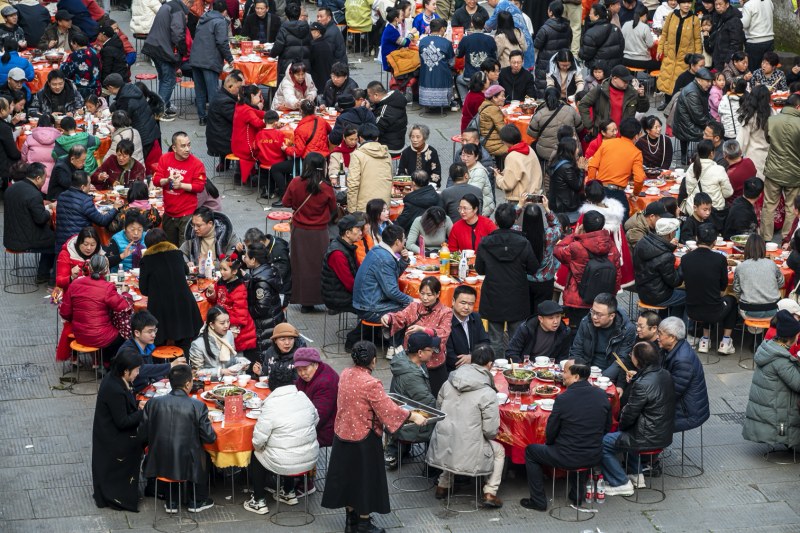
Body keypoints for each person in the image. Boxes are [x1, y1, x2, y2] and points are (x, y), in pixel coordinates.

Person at [321, 341, 426, 531]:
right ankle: (363, 524)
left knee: (347, 480)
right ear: (374, 361)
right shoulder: (371, 383)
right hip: (364, 439)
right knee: (365, 482)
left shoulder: (345, 374)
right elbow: (388, 411)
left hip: (343, 434)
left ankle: (350, 522)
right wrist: (413, 415)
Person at [520, 359, 611, 511]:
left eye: (565, 372)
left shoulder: (563, 399)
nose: (562, 375)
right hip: (594, 454)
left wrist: (550, 444)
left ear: (575, 377)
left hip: (567, 455)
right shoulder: (602, 395)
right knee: (580, 445)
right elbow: (606, 427)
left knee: (531, 451)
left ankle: (538, 500)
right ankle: (577, 494)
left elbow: (551, 431)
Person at [428, 344, 504, 508]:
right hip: (467, 448)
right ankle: (490, 492)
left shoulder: (449, 382)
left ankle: (443, 485)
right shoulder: (488, 392)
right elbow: (490, 431)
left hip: (444, 441)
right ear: (490, 364)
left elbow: (439, 408)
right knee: (499, 450)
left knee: (454, 435)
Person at [138, 364, 217, 513]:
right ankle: (196, 500)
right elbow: (210, 437)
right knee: (202, 453)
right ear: (188, 384)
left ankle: (172, 502)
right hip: (188, 462)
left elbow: (142, 434)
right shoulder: (198, 406)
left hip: (158, 459)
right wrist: (208, 423)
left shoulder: (153, 403)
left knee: (171, 451)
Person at [601, 342, 675, 496]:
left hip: (646, 437)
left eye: (632, 355)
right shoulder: (665, 374)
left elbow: (628, 415)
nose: (630, 357)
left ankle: (620, 482)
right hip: (662, 433)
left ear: (638, 360)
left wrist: (619, 426)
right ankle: (636, 473)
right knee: (630, 431)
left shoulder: (642, 384)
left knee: (602, 442)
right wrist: (636, 378)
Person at [245, 363, 319, 511]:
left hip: (286, 462)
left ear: (271, 384)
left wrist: (262, 448)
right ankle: (288, 492)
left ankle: (259, 501)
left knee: (257, 455)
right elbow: (315, 419)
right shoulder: (302, 396)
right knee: (287, 446)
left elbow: (258, 441)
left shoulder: (271, 404)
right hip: (310, 457)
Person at [475, 203, 538, 357]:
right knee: (516, 339)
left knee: (495, 340)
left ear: (496, 221)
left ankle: (496, 370)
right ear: (514, 221)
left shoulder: (486, 242)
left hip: (493, 295)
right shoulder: (523, 242)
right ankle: (514, 370)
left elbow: (479, 269)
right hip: (517, 296)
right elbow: (533, 268)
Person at [282, 152, 337, 312]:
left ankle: (306, 302)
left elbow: (286, 202)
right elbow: (333, 209)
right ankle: (324, 298)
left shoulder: (295, 182)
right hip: (320, 232)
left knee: (301, 267)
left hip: (299, 231)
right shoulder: (326, 187)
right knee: (322, 266)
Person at [91, 350, 144, 512]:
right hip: (113, 437)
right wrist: (143, 412)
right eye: (136, 370)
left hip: (109, 432)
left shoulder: (115, 379)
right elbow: (122, 422)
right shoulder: (114, 388)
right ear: (126, 371)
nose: (138, 373)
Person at [742, 310, 800, 450]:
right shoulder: (781, 361)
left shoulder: (769, 347)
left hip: (768, 413)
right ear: (792, 337)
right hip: (777, 419)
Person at [555, 209, 623, 326]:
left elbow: (557, 250)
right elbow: (617, 275)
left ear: (583, 225)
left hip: (578, 300)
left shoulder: (577, 247)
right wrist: (611, 297)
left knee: (577, 333)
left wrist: (575, 235)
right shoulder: (611, 246)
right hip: (602, 301)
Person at [139, 229, 203, 354]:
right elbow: (186, 271)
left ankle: (162, 368)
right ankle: (185, 364)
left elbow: (143, 289)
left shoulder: (147, 260)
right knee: (184, 340)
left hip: (160, 308)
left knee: (159, 343)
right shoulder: (177, 253)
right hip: (183, 303)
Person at [382, 275, 452, 388]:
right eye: (422, 293)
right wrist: (388, 317)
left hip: (434, 362)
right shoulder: (414, 307)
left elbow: (444, 332)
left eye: (429, 295)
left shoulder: (445, 312)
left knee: (436, 396)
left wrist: (423, 330)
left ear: (437, 294)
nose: (425, 298)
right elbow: (400, 317)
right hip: (412, 360)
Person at [59, 254, 131, 360]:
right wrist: (125, 294)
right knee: (125, 330)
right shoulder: (107, 287)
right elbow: (124, 307)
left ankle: (101, 360)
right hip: (102, 337)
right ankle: (108, 361)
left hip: (80, 336)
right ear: (106, 270)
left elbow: (65, 312)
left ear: (89, 267)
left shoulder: (75, 284)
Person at [681, 223, 738, 354]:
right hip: (714, 310)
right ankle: (725, 341)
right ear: (714, 241)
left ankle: (705, 339)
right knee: (732, 300)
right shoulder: (719, 259)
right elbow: (723, 286)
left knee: (708, 298)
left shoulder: (685, 258)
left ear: (696, 238)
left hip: (691, 310)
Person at [385, 332, 439, 468]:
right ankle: (434, 466)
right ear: (420, 353)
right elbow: (429, 404)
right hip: (408, 423)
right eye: (430, 349)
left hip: (401, 416)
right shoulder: (411, 376)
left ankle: (396, 449)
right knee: (448, 426)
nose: (433, 352)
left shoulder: (408, 361)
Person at [352, 223, 413, 328]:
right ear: (397, 242)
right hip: (370, 308)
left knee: (407, 303)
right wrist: (412, 300)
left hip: (364, 303)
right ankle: (396, 341)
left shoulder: (378, 250)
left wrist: (404, 261)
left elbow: (391, 276)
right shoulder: (385, 258)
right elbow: (392, 292)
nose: (404, 242)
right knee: (412, 308)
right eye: (404, 240)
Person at [3, 163, 55, 283]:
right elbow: (41, 219)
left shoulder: (12, 187)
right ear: (37, 178)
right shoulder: (34, 194)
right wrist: (50, 210)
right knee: (59, 240)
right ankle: (48, 276)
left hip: (10, 237)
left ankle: (44, 272)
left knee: (51, 235)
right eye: (44, 178)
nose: (44, 181)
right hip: (25, 239)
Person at [154, 132, 207, 247]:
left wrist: (181, 185)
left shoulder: (197, 164)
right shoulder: (165, 158)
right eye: (183, 146)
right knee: (170, 247)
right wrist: (167, 180)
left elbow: (199, 187)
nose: (187, 149)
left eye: (189, 145)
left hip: (186, 214)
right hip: (169, 213)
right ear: (174, 148)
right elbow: (156, 180)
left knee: (185, 249)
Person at [587, 117, 646, 220]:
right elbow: (639, 179)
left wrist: (593, 187)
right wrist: (635, 193)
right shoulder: (636, 153)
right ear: (636, 136)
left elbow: (592, 165)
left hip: (600, 192)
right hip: (617, 195)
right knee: (620, 231)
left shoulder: (606, 144)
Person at [322, 214, 366, 348]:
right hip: (338, 296)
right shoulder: (338, 253)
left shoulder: (347, 246)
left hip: (345, 292)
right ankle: (353, 338)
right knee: (373, 310)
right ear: (347, 233)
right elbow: (349, 284)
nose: (361, 232)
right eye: (357, 230)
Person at [570, 292, 636, 382]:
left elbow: (621, 360)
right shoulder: (586, 322)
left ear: (611, 316)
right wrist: (580, 374)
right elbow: (576, 350)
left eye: (599, 314)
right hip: (585, 371)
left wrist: (601, 379)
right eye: (593, 311)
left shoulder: (627, 329)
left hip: (609, 377)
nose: (594, 317)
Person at [141, 0, 190, 120]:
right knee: (169, 79)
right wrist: (182, 50)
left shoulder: (168, 5)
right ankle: (159, 111)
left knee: (164, 78)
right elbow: (178, 33)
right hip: (162, 49)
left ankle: (164, 105)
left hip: (154, 46)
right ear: (187, 2)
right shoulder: (177, 9)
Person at [103, 74, 161, 174]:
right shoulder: (130, 89)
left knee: (138, 162)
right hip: (150, 129)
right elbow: (117, 104)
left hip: (143, 135)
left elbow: (123, 121)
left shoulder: (126, 99)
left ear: (111, 87)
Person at [761, 94, 800, 242]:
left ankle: (766, 238)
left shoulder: (772, 120)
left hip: (773, 170)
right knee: (791, 207)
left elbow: (768, 139)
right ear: (797, 107)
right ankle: (787, 238)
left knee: (769, 204)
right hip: (795, 172)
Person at [188, 1, 233, 126]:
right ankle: (214, 118)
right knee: (212, 91)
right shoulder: (220, 22)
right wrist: (230, 59)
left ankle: (202, 117)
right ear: (224, 11)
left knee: (200, 90)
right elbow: (222, 42)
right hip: (209, 60)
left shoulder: (203, 18)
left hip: (196, 58)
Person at [54, 170, 120, 253]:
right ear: (82, 187)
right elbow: (102, 221)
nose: (90, 186)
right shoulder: (85, 201)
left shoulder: (61, 196)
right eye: (89, 184)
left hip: (61, 243)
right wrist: (115, 208)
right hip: (79, 244)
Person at [633, 217, 686, 317]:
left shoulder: (642, 242)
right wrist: (683, 264)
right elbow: (675, 282)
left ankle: (665, 319)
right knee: (690, 296)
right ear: (671, 234)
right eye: (675, 231)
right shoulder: (666, 256)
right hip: (658, 296)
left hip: (643, 291)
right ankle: (676, 327)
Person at [578, 65, 649, 139]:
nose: (627, 83)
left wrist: (642, 96)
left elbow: (643, 109)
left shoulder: (632, 92)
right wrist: (589, 126)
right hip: (604, 135)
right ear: (614, 78)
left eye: (628, 80)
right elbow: (583, 104)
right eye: (624, 80)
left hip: (625, 135)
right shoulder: (600, 89)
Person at [242, 241, 285, 356]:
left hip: (265, 328)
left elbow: (260, 309)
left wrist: (245, 309)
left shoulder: (261, 282)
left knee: (264, 357)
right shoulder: (268, 270)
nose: (244, 258)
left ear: (253, 260)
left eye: (246, 256)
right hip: (273, 321)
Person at [521, 198, 563, 311]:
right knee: (542, 313)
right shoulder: (550, 234)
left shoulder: (518, 233)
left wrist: (520, 205)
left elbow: (506, 223)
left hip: (524, 280)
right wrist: (547, 209)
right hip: (545, 281)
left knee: (525, 312)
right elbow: (558, 226)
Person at [682, 139, 733, 231]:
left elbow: (689, 190)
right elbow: (728, 193)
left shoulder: (691, 167)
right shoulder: (719, 169)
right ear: (711, 153)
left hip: (694, 210)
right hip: (713, 213)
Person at [294, 347, 339, 450]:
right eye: (299, 370)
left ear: (315, 364)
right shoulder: (311, 375)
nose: (302, 373)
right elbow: (296, 388)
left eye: (305, 369)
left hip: (326, 430)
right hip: (310, 420)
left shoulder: (325, 382)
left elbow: (318, 417)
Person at [527, 87, 581, 170]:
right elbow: (580, 127)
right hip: (570, 149)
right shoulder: (570, 110)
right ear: (559, 97)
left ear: (545, 98)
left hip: (545, 152)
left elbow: (532, 133)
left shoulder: (539, 114)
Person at [733, 233, 784, 320]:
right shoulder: (772, 264)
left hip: (748, 311)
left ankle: (750, 331)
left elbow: (737, 290)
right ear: (763, 248)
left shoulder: (740, 267)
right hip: (773, 310)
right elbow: (781, 283)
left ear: (747, 248)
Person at [506, 300, 571, 363]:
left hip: (549, 369)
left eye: (558, 317)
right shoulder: (526, 328)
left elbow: (563, 357)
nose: (556, 321)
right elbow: (511, 352)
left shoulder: (564, 331)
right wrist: (521, 367)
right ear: (541, 319)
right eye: (551, 318)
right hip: (526, 367)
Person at [347, 123, 392, 212]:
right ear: (377, 138)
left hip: (365, 207)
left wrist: (352, 210)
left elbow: (353, 184)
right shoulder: (387, 154)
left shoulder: (357, 154)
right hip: (384, 207)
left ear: (360, 138)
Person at [445, 285, 490, 371]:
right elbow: (449, 356)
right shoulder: (446, 320)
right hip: (454, 371)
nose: (466, 307)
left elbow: (485, 343)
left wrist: (472, 357)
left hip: (477, 365)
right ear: (453, 301)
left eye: (471, 304)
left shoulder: (475, 317)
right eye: (463, 303)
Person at [455, 13, 496, 104]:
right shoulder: (490, 39)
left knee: (458, 80)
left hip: (469, 77)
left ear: (472, 24)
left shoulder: (466, 39)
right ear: (484, 24)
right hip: (486, 78)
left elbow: (458, 55)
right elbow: (494, 58)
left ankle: (465, 102)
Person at [188, 305, 240, 375]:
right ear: (211, 324)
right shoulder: (198, 344)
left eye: (228, 321)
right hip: (211, 382)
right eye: (222, 323)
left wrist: (241, 363)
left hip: (229, 380)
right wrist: (220, 372)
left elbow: (232, 359)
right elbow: (196, 372)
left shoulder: (229, 334)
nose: (226, 326)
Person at [533, 2, 571, 94]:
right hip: (561, 63)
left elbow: (537, 45)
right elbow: (569, 42)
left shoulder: (545, 29)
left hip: (545, 64)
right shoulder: (568, 27)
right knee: (559, 87)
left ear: (550, 12)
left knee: (544, 89)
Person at [736, 84, 773, 179]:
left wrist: (736, 157)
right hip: (769, 154)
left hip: (753, 156)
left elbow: (742, 141)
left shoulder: (750, 116)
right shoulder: (772, 112)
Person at [417, 18, 454, 110]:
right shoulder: (447, 43)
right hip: (442, 81)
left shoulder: (422, 41)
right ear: (442, 29)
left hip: (425, 81)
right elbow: (452, 63)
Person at [270, 2, 311, 84]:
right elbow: (311, 44)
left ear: (286, 15)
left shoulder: (284, 28)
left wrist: (271, 54)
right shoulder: (306, 27)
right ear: (299, 14)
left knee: (287, 87)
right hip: (304, 63)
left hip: (288, 65)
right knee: (303, 88)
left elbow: (278, 46)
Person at [366, 81, 408, 154]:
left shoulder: (386, 109)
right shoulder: (394, 99)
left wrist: (366, 111)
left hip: (390, 147)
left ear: (376, 95)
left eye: (369, 95)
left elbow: (375, 131)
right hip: (399, 141)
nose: (368, 98)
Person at [546, 136, 583, 218]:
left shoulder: (557, 160)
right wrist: (581, 170)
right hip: (566, 206)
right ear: (570, 149)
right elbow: (577, 186)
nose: (578, 150)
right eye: (576, 147)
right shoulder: (566, 167)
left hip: (557, 203)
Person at [579, 3, 624, 69]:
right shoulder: (616, 29)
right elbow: (621, 47)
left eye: (591, 13)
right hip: (614, 67)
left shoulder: (591, 32)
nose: (589, 15)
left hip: (597, 68)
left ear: (597, 16)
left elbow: (586, 55)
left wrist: (579, 52)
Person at [396, 125, 442, 189]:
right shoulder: (406, 153)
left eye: (418, 137)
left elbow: (436, 172)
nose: (415, 140)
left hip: (428, 186)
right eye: (412, 137)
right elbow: (401, 171)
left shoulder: (432, 152)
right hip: (410, 186)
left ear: (424, 138)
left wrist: (428, 185)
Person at [704, 0, 744, 71]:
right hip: (717, 58)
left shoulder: (734, 20)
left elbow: (736, 43)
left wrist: (727, 60)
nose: (718, 7)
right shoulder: (719, 17)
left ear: (727, 4)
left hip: (726, 61)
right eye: (716, 4)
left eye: (720, 4)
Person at [621, 4, 659, 72]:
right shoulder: (645, 27)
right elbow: (650, 45)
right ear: (645, 15)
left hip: (626, 59)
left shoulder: (626, 24)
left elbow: (621, 40)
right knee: (661, 64)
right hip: (642, 61)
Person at [475, 84, 507, 159]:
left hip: (486, 141)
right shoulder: (493, 109)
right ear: (494, 97)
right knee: (517, 149)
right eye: (502, 96)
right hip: (494, 145)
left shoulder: (484, 104)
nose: (504, 98)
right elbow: (503, 131)